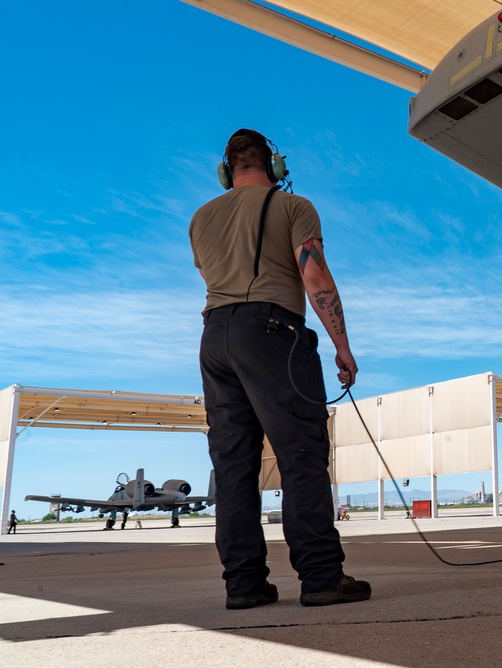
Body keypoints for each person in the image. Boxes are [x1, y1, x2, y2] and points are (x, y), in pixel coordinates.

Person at [189, 129, 371, 610]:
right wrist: (342, 347)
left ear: (226, 172)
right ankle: (321, 577)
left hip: (214, 338)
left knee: (232, 467)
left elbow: (210, 277)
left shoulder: (200, 217)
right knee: (301, 457)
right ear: (275, 167)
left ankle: (244, 585)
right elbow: (314, 274)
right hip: (272, 332)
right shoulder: (295, 207)